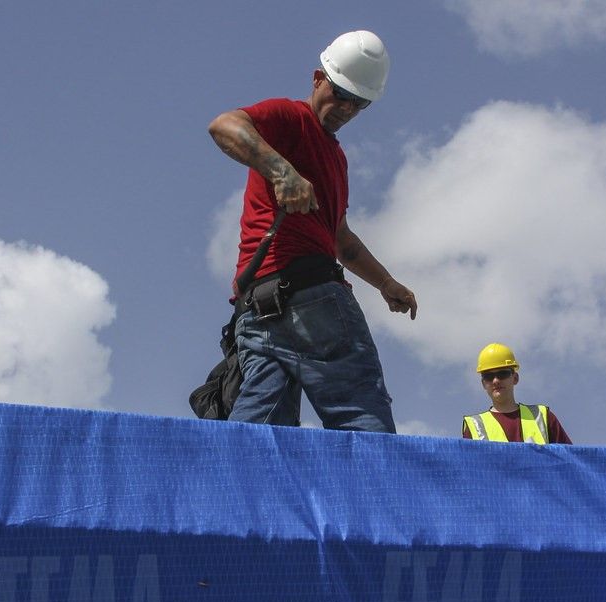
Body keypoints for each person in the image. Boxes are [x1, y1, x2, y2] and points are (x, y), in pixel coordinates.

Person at [207, 30, 416, 432]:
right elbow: (224, 126)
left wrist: (386, 283)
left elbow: (342, 241)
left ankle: (224, 493)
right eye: (340, 93)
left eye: (359, 102)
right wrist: (282, 171)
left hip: (260, 314)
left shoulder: (335, 158)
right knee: (363, 421)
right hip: (305, 301)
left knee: (259, 438)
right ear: (318, 78)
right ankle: (374, 494)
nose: (347, 107)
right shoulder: (290, 118)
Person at [462, 343, 572, 444]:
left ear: (515, 378)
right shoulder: (474, 427)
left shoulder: (543, 417)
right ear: (483, 384)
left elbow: (571, 459)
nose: (495, 381)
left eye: (502, 374)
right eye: (488, 377)